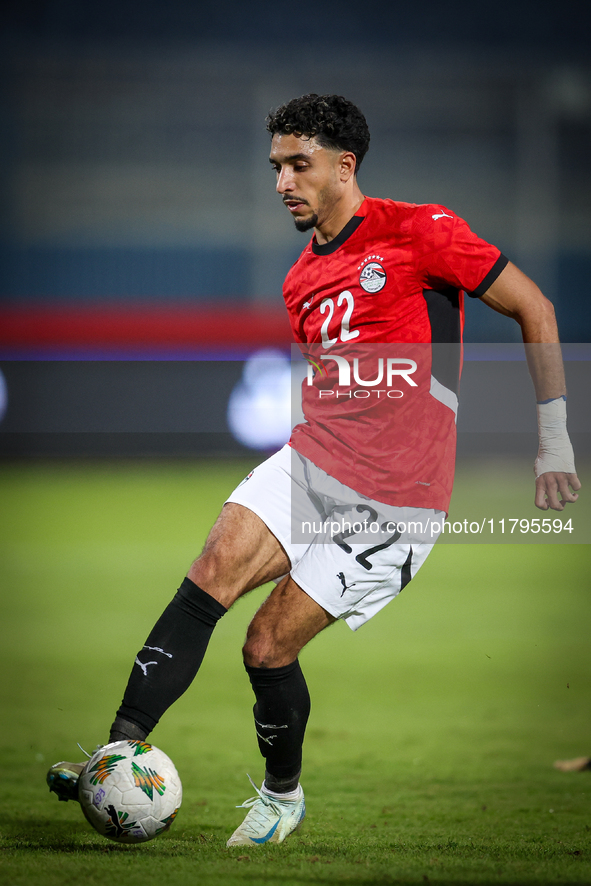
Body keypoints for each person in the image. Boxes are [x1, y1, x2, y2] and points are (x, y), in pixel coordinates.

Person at [46, 93, 580, 846]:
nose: (282, 182)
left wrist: (553, 439)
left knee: (264, 646)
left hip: (396, 502)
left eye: (298, 165)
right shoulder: (301, 280)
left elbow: (536, 308)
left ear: (343, 166)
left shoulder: (420, 232)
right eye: (276, 167)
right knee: (210, 570)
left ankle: (281, 795)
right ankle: (114, 753)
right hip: (314, 462)